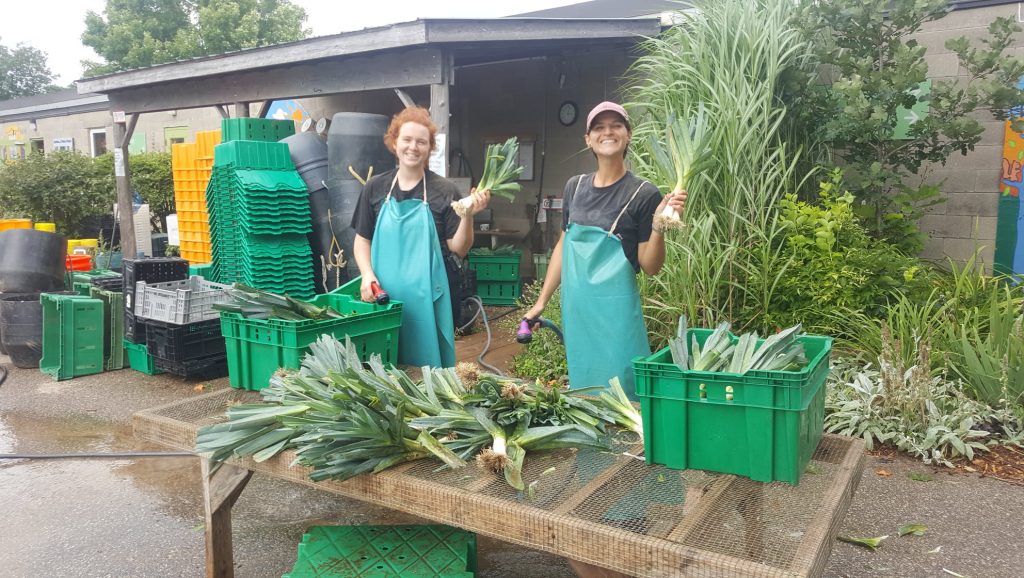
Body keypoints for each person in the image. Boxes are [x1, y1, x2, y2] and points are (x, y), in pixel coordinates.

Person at [523, 101, 685, 400]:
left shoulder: (644, 193)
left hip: (617, 316)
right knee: (585, 392)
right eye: (598, 127)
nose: (607, 132)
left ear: (628, 134)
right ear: (588, 139)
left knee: (623, 395)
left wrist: (659, 227)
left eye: (615, 125)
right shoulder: (575, 186)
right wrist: (542, 301)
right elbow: (563, 245)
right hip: (578, 310)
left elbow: (650, 266)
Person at [351, 106, 490, 368]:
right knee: (386, 365)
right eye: (407, 139)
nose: (413, 147)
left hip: (430, 296)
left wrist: (469, 215)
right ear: (394, 142)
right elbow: (362, 239)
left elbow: (458, 249)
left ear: (430, 148)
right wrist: (367, 275)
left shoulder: (444, 190)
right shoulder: (375, 187)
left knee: (429, 370)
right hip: (384, 295)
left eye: (421, 142)